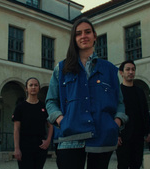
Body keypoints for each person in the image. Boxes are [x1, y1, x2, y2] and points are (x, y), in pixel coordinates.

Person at [45, 17, 127, 169]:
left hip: (102, 135)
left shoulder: (109, 69)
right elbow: (51, 101)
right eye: (78, 33)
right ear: (74, 38)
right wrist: (62, 120)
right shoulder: (61, 68)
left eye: (88, 32)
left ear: (95, 36)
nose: (83, 36)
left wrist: (116, 123)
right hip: (69, 137)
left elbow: (119, 102)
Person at [116, 60, 150, 169]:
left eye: (133, 69)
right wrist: (115, 134)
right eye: (128, 69)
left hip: (138, 135)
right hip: (123, 136)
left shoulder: (139, 91)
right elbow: (113, 114)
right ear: (121, 73)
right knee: (123, 165)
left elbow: (145, 111)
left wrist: (148, 131)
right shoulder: (118, 92)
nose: (131, 72)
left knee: (137, 164)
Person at [12, 77, 53, 169]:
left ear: (39, 88)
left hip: (40, 146)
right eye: (31, 85)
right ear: (26, 88)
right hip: (24, 146)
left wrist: (48, 140)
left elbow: (50, 126)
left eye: (36, 85)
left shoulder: (44, 107)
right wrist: (17, 148)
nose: (33, 87)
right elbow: (16, 129)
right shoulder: (20, 107)